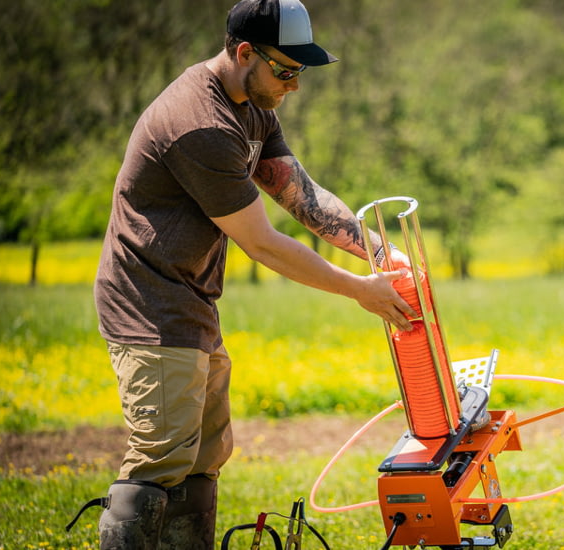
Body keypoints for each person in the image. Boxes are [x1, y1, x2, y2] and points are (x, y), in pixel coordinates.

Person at [89, 0, 415, 547]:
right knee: (160, 460)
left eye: (300, 71)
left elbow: (300, 193)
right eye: (286, 71)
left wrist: (382, 253)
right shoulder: (201, 124)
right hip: (149, 302)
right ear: (244, 53)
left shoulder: (253, 104)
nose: (294, 85)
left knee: (202, 456)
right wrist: (361, 290)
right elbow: (263, 242)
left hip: (191, 300)